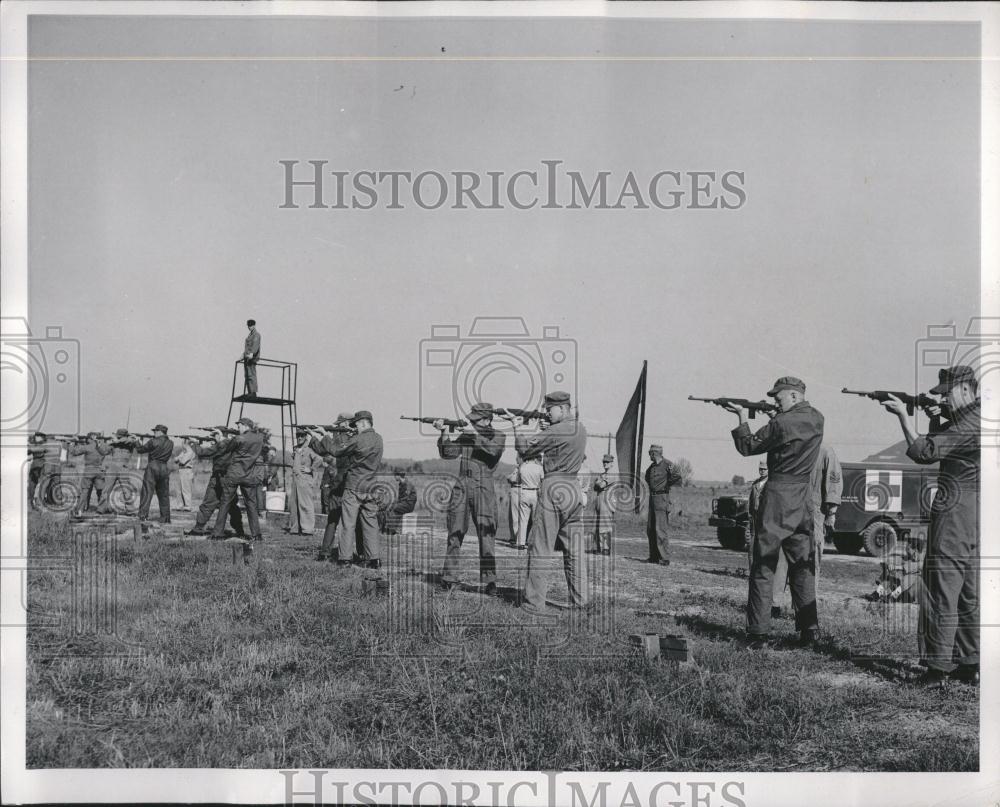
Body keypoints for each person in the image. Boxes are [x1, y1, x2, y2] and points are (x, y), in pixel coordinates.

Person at [882, 365, 980, 686]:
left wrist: (903, 417)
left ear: (965, 389)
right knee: (967, 591)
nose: (945, 400)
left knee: (940, 588)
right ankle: (969, 663)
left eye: (947, 394)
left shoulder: (967, 423)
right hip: (978, 511)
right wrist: (937, 419)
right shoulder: (980, 418)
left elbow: (926, 452)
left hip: (955, 510)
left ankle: (937, 669)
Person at [727, 376, 824, 647]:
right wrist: (776, 416)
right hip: (803, 498)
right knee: (803, 565)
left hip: (778, 496)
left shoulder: (779, 423)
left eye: (778, 397)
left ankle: (758, 633)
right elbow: (791, 430)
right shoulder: (818, 419)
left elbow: (748, 447)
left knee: (764, 564)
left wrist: (740, 418)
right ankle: (810, 630)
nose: (774, 401)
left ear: (793, 396)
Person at [520, 391, 589, 615]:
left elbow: (525, 449)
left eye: (550, 410)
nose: (548, 413)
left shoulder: (555, 429)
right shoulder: (581, 428)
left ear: (563, 408)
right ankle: (581, 602)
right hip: (574, 489)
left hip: (554, 486)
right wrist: (546, 429)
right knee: (575, 551)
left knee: (540, 547)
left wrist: (518, 427)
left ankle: (533, 604)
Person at [435, 402, 506, 593]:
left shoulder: (498, 436)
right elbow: (448, 453)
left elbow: (493, 451)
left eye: (476, 420)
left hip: (484, 488)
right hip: (462, 486)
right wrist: (444, 433)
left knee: (486, 534)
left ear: (487, 419)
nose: (472, 423)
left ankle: (490, 581)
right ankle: (449, 577)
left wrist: (474, 435)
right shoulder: (467, 435)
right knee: (454, 533)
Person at [329, 411, 384, 567]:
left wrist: (323, 437)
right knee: (370, 523)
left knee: (347, 523)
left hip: (354, 486)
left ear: (363, 423)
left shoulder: (358, 439)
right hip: (371, 486)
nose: (355, 427)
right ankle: (374, 559)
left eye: (356, 425)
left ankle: (345, 558)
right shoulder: (379, 439)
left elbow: (337, 451)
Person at [307, 413, 355, 561]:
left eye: (339, 424)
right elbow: (323, 450)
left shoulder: (349, 438)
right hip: (344, 482)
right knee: (335, 520)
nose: (337, 427)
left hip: (345, 482)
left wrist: (324, 435)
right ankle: (327, 551)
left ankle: (331, 552)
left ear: (346, 423)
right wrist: (313, 437)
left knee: (338, 520)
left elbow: (330, 450)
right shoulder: (350, 437)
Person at [209, 417, 265, 542]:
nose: (238, 428)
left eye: (239, 426)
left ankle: (217, 533)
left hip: (234, 474)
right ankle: (257, 534)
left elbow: (227, 448)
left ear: (245, 426)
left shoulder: (239, 438)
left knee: (225, 503)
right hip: (249, 474)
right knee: (251, 504)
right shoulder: (260, 438)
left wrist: (221, 437)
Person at [184, 431, 244, 537]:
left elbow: (203, 452)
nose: (213, 439)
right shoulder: (229, 444)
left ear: (219, 435)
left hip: (222, 477)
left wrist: (194, 443)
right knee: (227, 505)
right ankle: (239, 530)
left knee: (212, 503)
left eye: (214, 436)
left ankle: (200, 527)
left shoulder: (223, 444)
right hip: (220, 477)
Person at [644, 444, 683, 566]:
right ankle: (654, 556)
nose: (649, 455)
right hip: (652, 498)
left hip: (662, 498)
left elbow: (677, 476)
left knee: (660, 529)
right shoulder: (651, 467)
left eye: (650, 453)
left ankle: (664, 557)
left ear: (654, 453)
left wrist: (666, 485)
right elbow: (647, 477)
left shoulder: (667, 464)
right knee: (651, 529)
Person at [507, 436, 543, 551]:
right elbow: (543, 480)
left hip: (524, 491)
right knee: (535, 519)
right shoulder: (539, 468)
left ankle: (521, 542)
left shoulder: (523, 468)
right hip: (535, 492)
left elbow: (517, 479)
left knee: (523, 519)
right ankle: (534, 542)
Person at [133, 425, 174, 524]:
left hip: (153, 466)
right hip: (164, 468)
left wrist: (136, 441)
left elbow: (140, 450)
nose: (154, 433)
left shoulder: (153, 441)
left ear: (160, 432)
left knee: (147, 492)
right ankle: (165, 518)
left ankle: (143, 515)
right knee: (164, 494)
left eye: (155, 431)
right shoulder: (171, 443)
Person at [285, 430, 323, 536]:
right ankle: (295, 528)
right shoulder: (296, 449)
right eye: (298, 435)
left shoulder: (309, 449)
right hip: (296, 480)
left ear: (306, 436)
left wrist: (310, 469)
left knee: (306, 505)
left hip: (305, 480)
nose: (299, 437)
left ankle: (307, 529)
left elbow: (319, 459)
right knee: (294, 505)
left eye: (302, 435)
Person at [97, 429, 141, 515]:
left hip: (123, 467)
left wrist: (117, 440)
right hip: (113, 467)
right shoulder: (114, 443)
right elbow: (104, 451)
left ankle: (130, 509)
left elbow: (130, 441)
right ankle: (101, 509)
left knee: (126, 489)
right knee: (106, 489)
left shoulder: (129, 441)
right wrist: (99, 444)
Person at [69, 433, 112, 514]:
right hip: (100, 470)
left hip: (88, 470)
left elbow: (74, 452)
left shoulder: (87, 447)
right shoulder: (103, 446)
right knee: (101, 491)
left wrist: (72, 443)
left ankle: (80, 510)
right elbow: (109, 450)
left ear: (90, 438)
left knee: (84, 490)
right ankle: (102, 509)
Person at [378, 469, 418, 536]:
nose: (394, 477)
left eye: (395, 475)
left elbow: (406, 497)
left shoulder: (408, 484)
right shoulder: (401, 484)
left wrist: (394, 503)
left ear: (399, 476)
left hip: (408, 505)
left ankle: (390, 530)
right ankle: (387, 529)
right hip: (403, 504)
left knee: (393, 507)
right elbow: (400, 498)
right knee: (392, 510)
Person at [592, 454, 617, 555]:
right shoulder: (602, 475)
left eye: (607, 462)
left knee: (605, 524)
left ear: (611, 464)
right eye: (604, 462)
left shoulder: (612, 474)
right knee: (598, 524)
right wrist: (598, 482)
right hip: (600, 498)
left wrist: (598, 482)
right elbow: (595, 487)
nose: (605, 464)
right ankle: (599, 547)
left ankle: (606, 548)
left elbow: (601, 485)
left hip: (607, 499)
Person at [173, 439, 197, 511]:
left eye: (184, 443)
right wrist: (179, 458)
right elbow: (175, 460)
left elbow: (182, 461)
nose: (182, 445)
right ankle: (180, 505)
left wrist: (179, 458)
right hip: (181, 470)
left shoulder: (190, 452)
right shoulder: (184, 452)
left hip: (187, 470)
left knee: (186, 489)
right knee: (179, 489)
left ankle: (188, 506)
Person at [26, 432, 47, 509]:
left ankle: (37, 502)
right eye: (36, 436)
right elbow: (28, 452)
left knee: (38, 485)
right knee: (32, 485)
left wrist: (29, 447)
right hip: (35, 466)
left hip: (40, 466)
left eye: (38, 436)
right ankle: (31, 502)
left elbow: (36, 451)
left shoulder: (43, 445)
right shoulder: (36, 445)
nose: (36, 438)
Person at [242, 318, 261, 398]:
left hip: (251, 358)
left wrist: (252, 354)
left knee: (251, 375)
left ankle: (253, 392)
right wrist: (242, 355)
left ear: (254, 325)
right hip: (247, 358)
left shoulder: (256, 335)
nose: (249, 327)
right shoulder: (250, 335)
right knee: (247, 375)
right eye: (248, 326)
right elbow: (247, 348)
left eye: (250, 325)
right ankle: (250, 391)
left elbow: (255, 346)